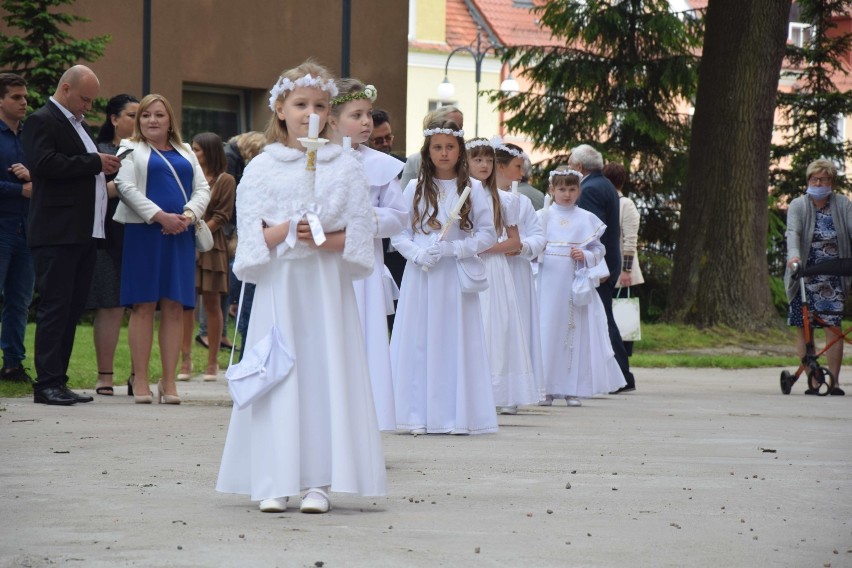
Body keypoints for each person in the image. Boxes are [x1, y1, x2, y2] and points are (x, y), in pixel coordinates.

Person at [216, 61, 386, 515]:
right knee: (280, 372)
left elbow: (361, 232)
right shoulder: (263, 167)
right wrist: (285, 228)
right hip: (281, 286)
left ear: (330, 113)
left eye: (319, 105)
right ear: (280, 108)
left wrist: (325, 239)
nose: (310, 112)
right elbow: (249, 236)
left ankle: (318, 480)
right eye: (300, 104)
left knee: (322, 371)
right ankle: (274, 476)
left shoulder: (345, 166)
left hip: (324, 288)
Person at [389, 119, 498, 435]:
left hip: (452, 276)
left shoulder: (474, 190)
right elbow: (398, 233)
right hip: (421, 275)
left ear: (460, 150)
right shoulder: (414, 187)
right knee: (419, 340)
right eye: (437, 147)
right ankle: (415, 414)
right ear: (427, 151)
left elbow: (487, 235)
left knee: (452, 341)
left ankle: (453, 415)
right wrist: (418, 252)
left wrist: (454, 251)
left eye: (450, 147)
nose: (444, 153)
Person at [22, 65, 122, 405]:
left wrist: (101, 164)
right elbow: (44, 164)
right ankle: (46, 384)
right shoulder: (42, 120)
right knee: (55, 307)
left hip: (84, 233)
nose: (88, 107)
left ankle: (58, 380)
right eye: (84, 99)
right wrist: (95, 162)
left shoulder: (77, 125)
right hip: (57, 232)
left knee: (71, 308)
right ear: (65, 88)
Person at [113, 93, 210, 404]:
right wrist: (159, 216)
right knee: (143, 305)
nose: (152, 120)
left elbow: (202, 188)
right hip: (144, 234)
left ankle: (168, 382)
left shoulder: (185, 151)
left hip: (179, 235)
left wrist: (189, 214)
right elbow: (125, 187)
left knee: (174, 306)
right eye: (145, 115)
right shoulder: (130, 148)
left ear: (170, 121)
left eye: (158, 115)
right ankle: (140, 379)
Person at [328, 79, 406, 431]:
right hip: (325, 261)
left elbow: (398, 216)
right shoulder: (317, 157)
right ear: (332, 118)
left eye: (368, 115)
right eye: (355, 115)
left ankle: (362, 426)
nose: (365, 123)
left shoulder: (382, 166)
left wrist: (364, 219)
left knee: (364, 340)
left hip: (363, 265)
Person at [537, 169, 626, 405]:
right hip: (547, 284)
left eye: (572, 189)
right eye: (562, 189)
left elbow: (599, 251)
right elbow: (531, 247)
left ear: (579, 191)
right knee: (547, 331)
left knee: (573, 331)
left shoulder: (587, 219)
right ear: (552, 190)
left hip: (573, 283)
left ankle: (571, 388)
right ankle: (545, 387)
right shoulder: (542, 217)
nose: (567, 194)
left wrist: (585, 255)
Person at [466, 137, 537, 414]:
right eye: (477, 160)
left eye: (488, 160)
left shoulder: (505, 199)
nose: (484, 165)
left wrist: (482, 247)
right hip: (468, 265)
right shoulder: (462, 193)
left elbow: (514, 242)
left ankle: (498, 392)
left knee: (496, 327)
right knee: (473, 327)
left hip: (493, 269)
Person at [570, 144, 636, 393]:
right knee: (603, 317)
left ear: (579, 166)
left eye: (570, 163)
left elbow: (591, 229)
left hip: (599, 264)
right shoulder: (605, 184)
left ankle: (621, 374)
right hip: (608, 261)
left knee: (603, 318)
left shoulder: (590, 189)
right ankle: (617, 374)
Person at [86, 94, 139, 395]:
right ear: (114, 119)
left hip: (140, 235)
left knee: (140, 307)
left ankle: (137, 375)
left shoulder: (149, 152)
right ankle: (104, 375)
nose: (139, 120)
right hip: (108, 235)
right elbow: (92, 193)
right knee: (110, 306)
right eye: (132, 114)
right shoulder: (100, 152)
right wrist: (121, 185)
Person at [785, 159, 850, 396]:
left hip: (834, 277)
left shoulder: (843, 205)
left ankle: (834, 382)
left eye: (824, 179)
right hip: (803, 275)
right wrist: (793, 258)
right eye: (814, 179)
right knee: (805, 327)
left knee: (833, 326)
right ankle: (814, 380)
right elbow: (793, 234)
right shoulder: (798, 205)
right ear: (808, 181)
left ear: (831, 182)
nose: (819, 183)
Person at [177, 132, 235, 381]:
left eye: (198, 149)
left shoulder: (226, 180)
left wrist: (198, 232)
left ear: (210, 151)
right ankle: (185, 363)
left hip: (212, 246)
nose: (194, 153)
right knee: (186, 305)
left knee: (212, 303)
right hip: (186, 244)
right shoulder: (188, 175)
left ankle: (212, 363)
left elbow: (223, 215)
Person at [495, 140, 546, 398]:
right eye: (517, 166)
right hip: (491, 270)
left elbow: (539, 237)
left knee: (516, 329)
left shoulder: (522, 202)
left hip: (516, 271)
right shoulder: (480, 197)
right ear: (500, 167)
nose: (522, 173)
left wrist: (523, 246)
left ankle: (513, 390)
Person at [0, 73, 34, 384]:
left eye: (25, 97)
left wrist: (32, 177)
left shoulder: (29, 136)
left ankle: (12, 365)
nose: (24, 102)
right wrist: (17, 190)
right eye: (16, 97)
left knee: (19, 300)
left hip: (28, 229)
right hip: (2, 226)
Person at [603, 162, 644, 357]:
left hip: (623, 270)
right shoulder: (610, 203)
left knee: (622, 313)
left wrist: (626, 270)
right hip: (612, 268)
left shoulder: (626, 204)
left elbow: (630, 239)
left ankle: (623, 352)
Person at [399, 105, 463, 189]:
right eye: (451, 125)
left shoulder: (469, 159)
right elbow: (403, 193)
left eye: (460, 126)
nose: (455, 130)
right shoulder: (414, 161)